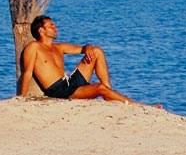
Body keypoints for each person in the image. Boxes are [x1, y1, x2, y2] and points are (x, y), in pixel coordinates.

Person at [18, 15, 160, 107]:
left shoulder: (58, 47)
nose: (55, 28)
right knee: (99, 88)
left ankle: (109, 94)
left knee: (97, 51)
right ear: (41, 30)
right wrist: (21, 98)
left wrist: (88, 48)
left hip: (69, 82)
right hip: (59, 90)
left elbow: (83, 48)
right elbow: (27, 73)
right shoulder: (33, 47)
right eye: (51, 26)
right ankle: (137, 105)